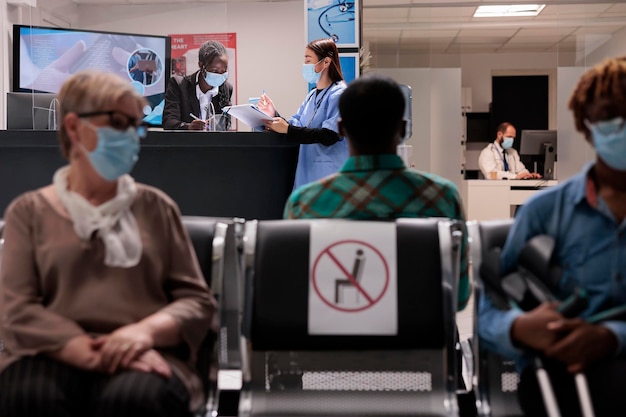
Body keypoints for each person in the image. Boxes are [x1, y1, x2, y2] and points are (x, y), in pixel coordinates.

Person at [0, 70, 217, 417]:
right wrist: (83, 348)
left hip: (145, 354)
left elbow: (196, 302)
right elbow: (16, 309)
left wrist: (142, 333)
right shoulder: (29, 213)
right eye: (118, 122)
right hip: (53, 352)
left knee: (133, 400)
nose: (131, 135)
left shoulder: (156, 207)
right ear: (73, 127)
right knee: (29, 397)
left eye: (136, 125)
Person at [478, 56, 626, 417]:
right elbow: (490, 312)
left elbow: (520, 170)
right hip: (565, 378)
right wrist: (521, 327)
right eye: (610, 117)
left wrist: (612, 337)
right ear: (587, 127)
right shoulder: (545, 213)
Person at [284, 73, 469, 312]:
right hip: (419, 345)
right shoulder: (442, 198)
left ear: (341, 128)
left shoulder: (305, 204)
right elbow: (459, 297)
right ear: (403, 128)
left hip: (334, 344)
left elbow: (295, 296)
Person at [257, 38, 348, 190]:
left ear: (326, 62)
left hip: (330, 176)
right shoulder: (311, 96)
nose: (304, 66)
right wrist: (272, 114)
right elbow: (296, 126)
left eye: (308, 60)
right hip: (308, 175)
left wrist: (287, 129)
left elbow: (330, 135)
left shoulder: (339, 94)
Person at [163, 40, 232, 131]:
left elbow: (226, 124)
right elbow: (168, 122)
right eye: (215, 71)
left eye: (224, 71)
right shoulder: (179, 85)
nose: (220, 75)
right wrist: (188, 127)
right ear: (201, 65)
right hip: (186, 143)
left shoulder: (226, 88)